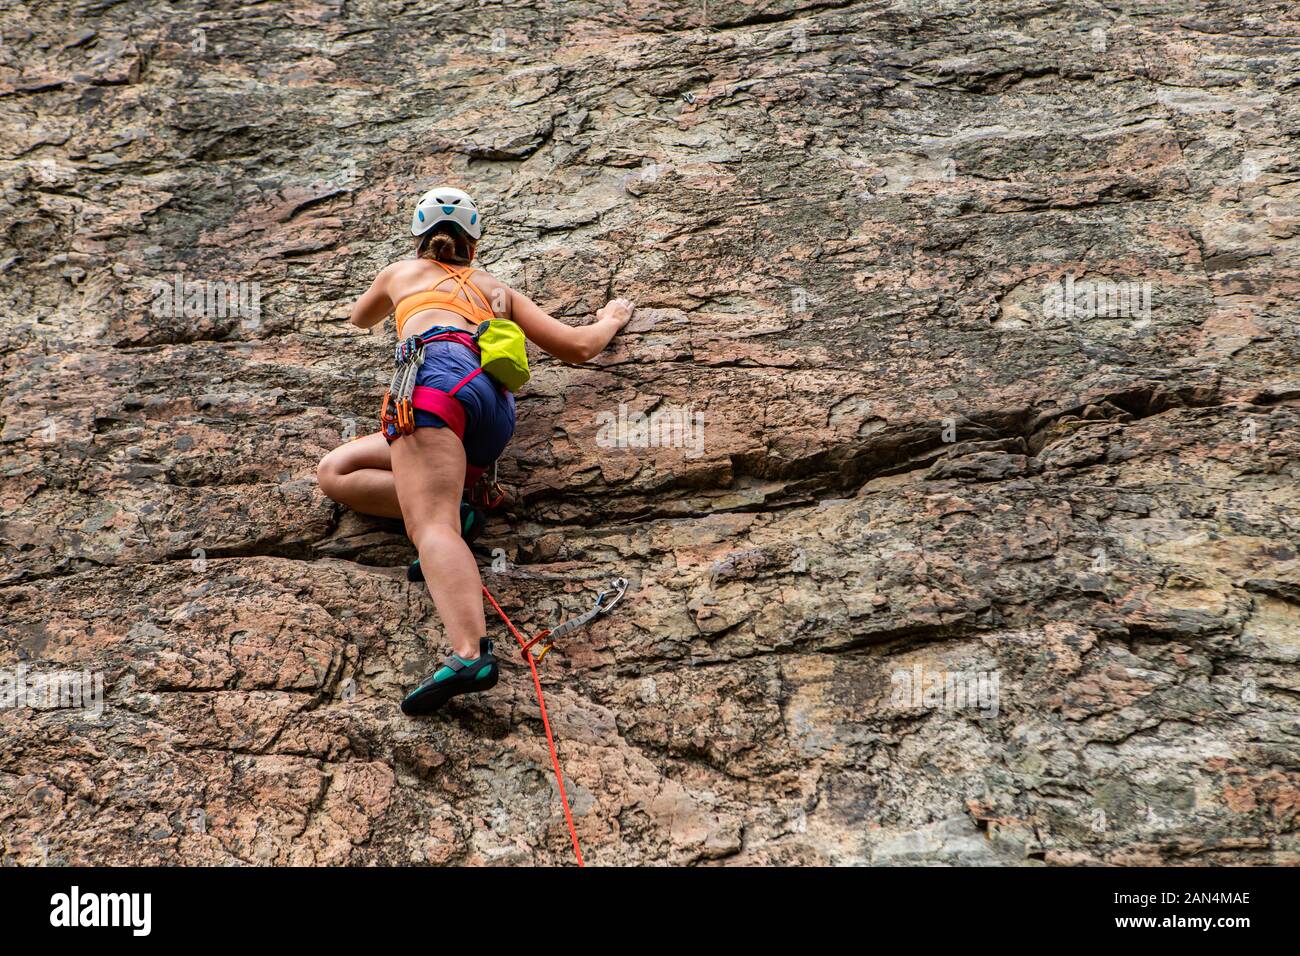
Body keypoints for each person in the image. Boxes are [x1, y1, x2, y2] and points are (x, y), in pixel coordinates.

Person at [316, 186, 634, 714]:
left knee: (430, 526)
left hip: (435, 382)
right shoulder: (495, 287)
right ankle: (462, 507)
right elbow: (578, 347)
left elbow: (359, 318)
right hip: (490, 408)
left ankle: (470, 652)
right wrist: (612, 319)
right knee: (336, 469)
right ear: (475, 242)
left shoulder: (400, 273)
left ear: (420, 239)